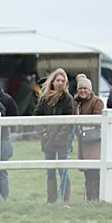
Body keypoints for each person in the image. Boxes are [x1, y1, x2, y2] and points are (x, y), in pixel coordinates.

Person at [34, 68, 76, 203]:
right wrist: (44, 134)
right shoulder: (44, 98)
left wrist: (58, 137)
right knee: (50, 171)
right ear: (53, 81)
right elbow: (37, 116)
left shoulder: (68, 99)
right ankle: (51, 200)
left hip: (62, 141)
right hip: (47, 140)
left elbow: (69, 121)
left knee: (63, 170)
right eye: (58, 80)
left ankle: (66, 199)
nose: (60, 83)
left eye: (63, 81)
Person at [74, 75, 105, 202]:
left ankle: (95, 198)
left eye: (85, 88)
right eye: (80, 88)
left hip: (93, 141)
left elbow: (98, 120)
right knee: (87, 171)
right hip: (83, 141)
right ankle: (90, 198)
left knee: (93, 171)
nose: (82, 91)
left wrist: (82, 123)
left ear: (89, 89)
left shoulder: (97, 101)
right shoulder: (77, 103)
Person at [0, 74, 19, 200]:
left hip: (4, 139)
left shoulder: (7, 100)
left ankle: (3, 197)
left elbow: (15, 118)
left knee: (2, 171)